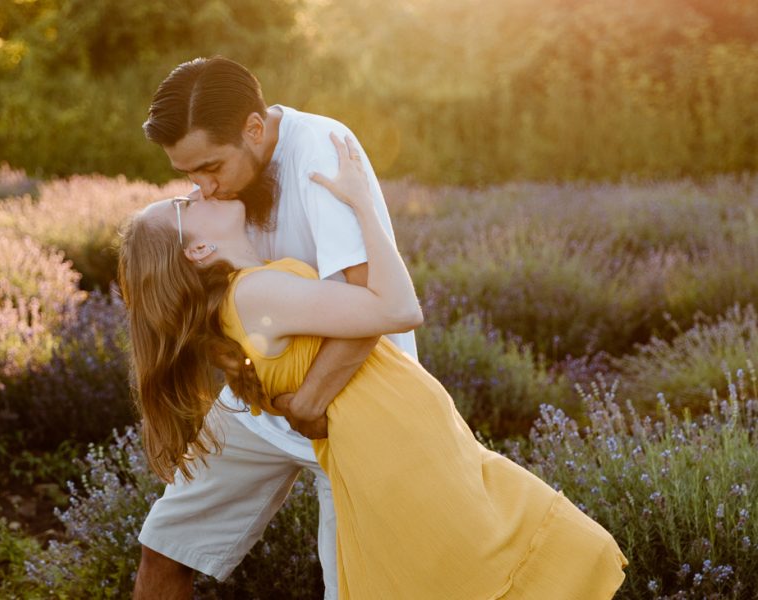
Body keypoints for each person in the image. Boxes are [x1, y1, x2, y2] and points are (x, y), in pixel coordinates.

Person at [119, 133, 629, 598]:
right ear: (200, 248)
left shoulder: (246, 294)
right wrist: (364, 202)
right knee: (509, 563)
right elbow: (399, 308)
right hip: (395, 445)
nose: (200, 191)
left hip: (402, 436)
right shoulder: (255, 293)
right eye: (185, 204)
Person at [133, 56, 416, 599]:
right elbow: (204, 295)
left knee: (353, 588)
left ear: (255, 130)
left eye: (211, 167)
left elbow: (372, 302)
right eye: (187, 174)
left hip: (346, 404)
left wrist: (312, 399)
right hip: (261, 405)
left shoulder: (320, 152)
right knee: (166, 546)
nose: (203, 188)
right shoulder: (219, 196)